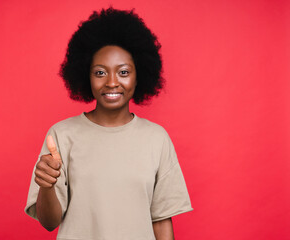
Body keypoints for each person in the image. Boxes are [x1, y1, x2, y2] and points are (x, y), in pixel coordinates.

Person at [25, 7, 193, 240]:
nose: (112, 82)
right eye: (100, 73)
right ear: (87, 76)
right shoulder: (62, 135)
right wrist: (46, 185)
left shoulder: (156, 138)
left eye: (123, 72)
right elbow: (49, 223)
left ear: (139, 75)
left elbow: (162, 222)